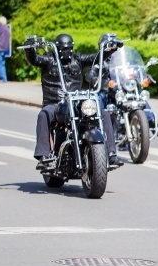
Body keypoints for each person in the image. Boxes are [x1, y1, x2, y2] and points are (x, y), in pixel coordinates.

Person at [24, 33, 123, 169]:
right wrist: (29, 49)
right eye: (63, 49)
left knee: (103, 113)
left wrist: (111, 49)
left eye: (69, 48)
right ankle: (43, 155)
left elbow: (96, 57)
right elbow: (34, 59)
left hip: (75, 102)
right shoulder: (48, 60)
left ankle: (111, 154)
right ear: (57, 48)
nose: (66, 51)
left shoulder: (78, 59)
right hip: (54, 103)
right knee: (44, 114)